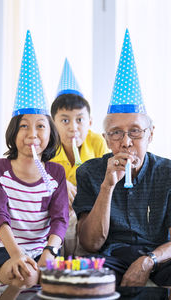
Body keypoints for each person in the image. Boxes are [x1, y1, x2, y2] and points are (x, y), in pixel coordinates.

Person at [73, 29, 171, 287]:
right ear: (106, 139)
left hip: (159, 257)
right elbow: (91, 243)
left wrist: (148, 260)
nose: (126, 141)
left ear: (150, 135)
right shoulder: (89, 173)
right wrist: (107, 186)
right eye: (116, 133)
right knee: (79, 280)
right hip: (110, 257)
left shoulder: (167, 172)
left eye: (135, 132)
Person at [0, 30, 69, 299]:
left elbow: (60, 219)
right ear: (13, 131)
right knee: (21, 274)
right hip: (8, 250)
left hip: (45, 251)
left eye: (40, 126)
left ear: (50, 132)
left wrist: (48, 253)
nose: (32, 134)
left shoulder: (56, 173)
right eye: (24, 126)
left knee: (46, 276)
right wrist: (18, 254)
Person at [50, 58, 108, 256]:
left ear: (90, 122)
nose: (73, 127)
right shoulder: (46, 146)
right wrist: (59, 182)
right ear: (53, 124)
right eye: (64, 120)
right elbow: (34, 173)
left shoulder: (98, 142)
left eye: (80, 120)